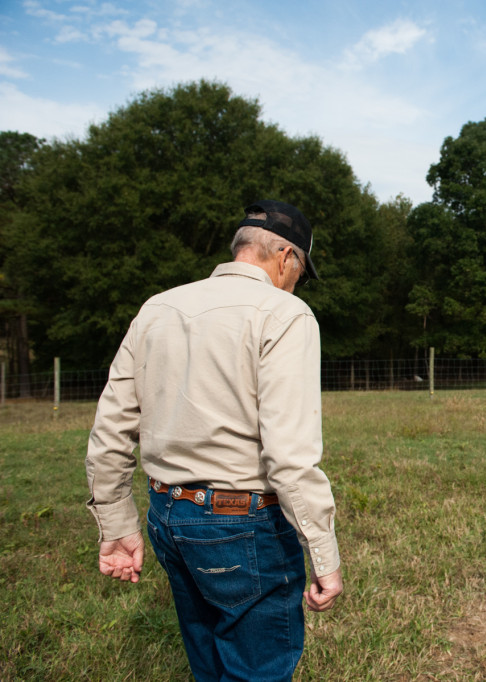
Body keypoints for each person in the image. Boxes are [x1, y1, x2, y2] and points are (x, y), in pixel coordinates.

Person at [85, 200, 342, 681]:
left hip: (167, 515)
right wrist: (324, 555)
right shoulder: (285, 314)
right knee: (257, 671)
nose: (295, 283)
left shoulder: (157, 308)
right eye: (301, 272)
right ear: (286, 256)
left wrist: (117, 524)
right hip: (243, 523)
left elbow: (111, 427)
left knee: (207, 662)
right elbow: (289, 455)